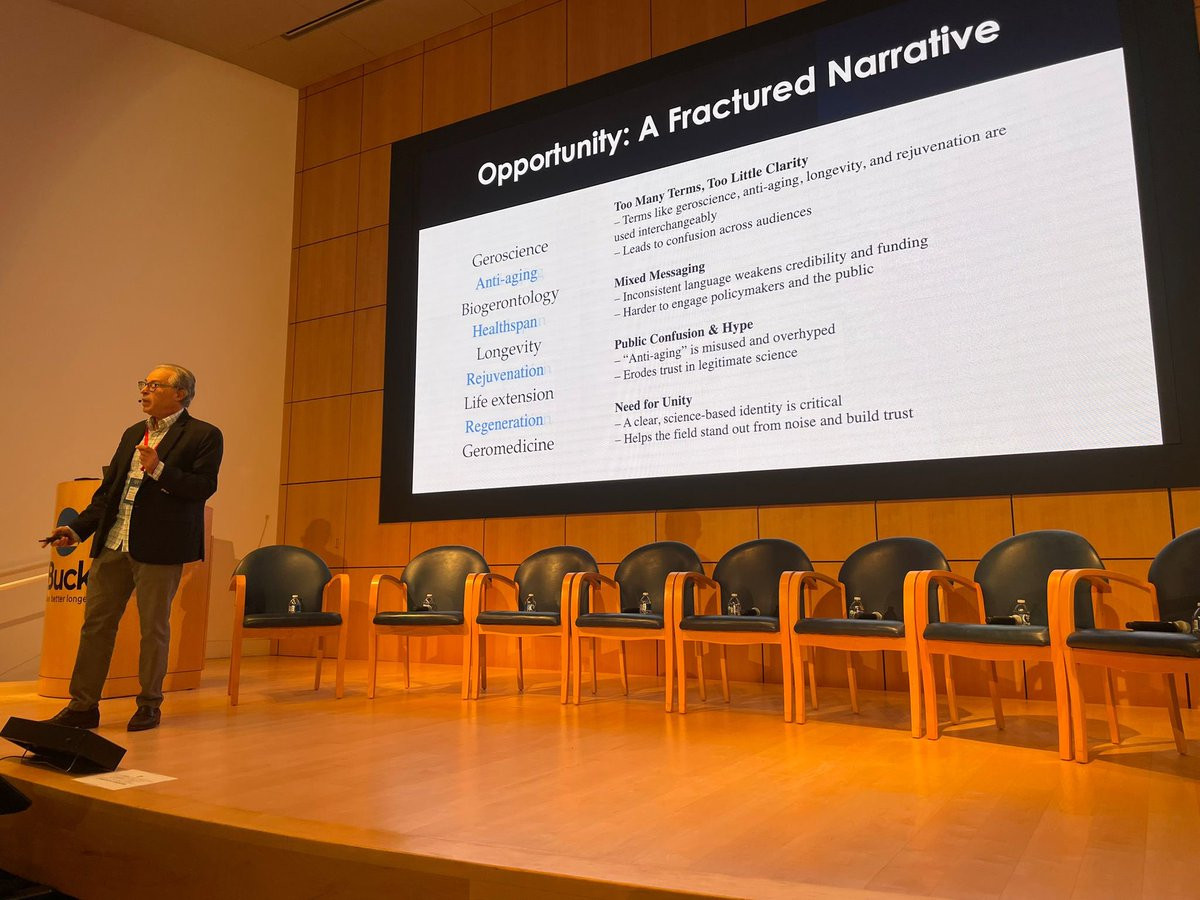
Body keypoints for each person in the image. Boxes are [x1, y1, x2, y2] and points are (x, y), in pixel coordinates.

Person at [40, 365, 223, 731]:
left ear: (180, 394)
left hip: (160, 547)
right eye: (144, 384)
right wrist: (76, 529)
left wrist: (159, 469)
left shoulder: (204, 434)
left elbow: (204, 487)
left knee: (153, 629)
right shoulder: (132, 433)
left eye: (154, 385)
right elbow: (108, 492)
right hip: (113, 542)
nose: (144, 391)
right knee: (95, 626)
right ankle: (83, 706)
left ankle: (149, 704)